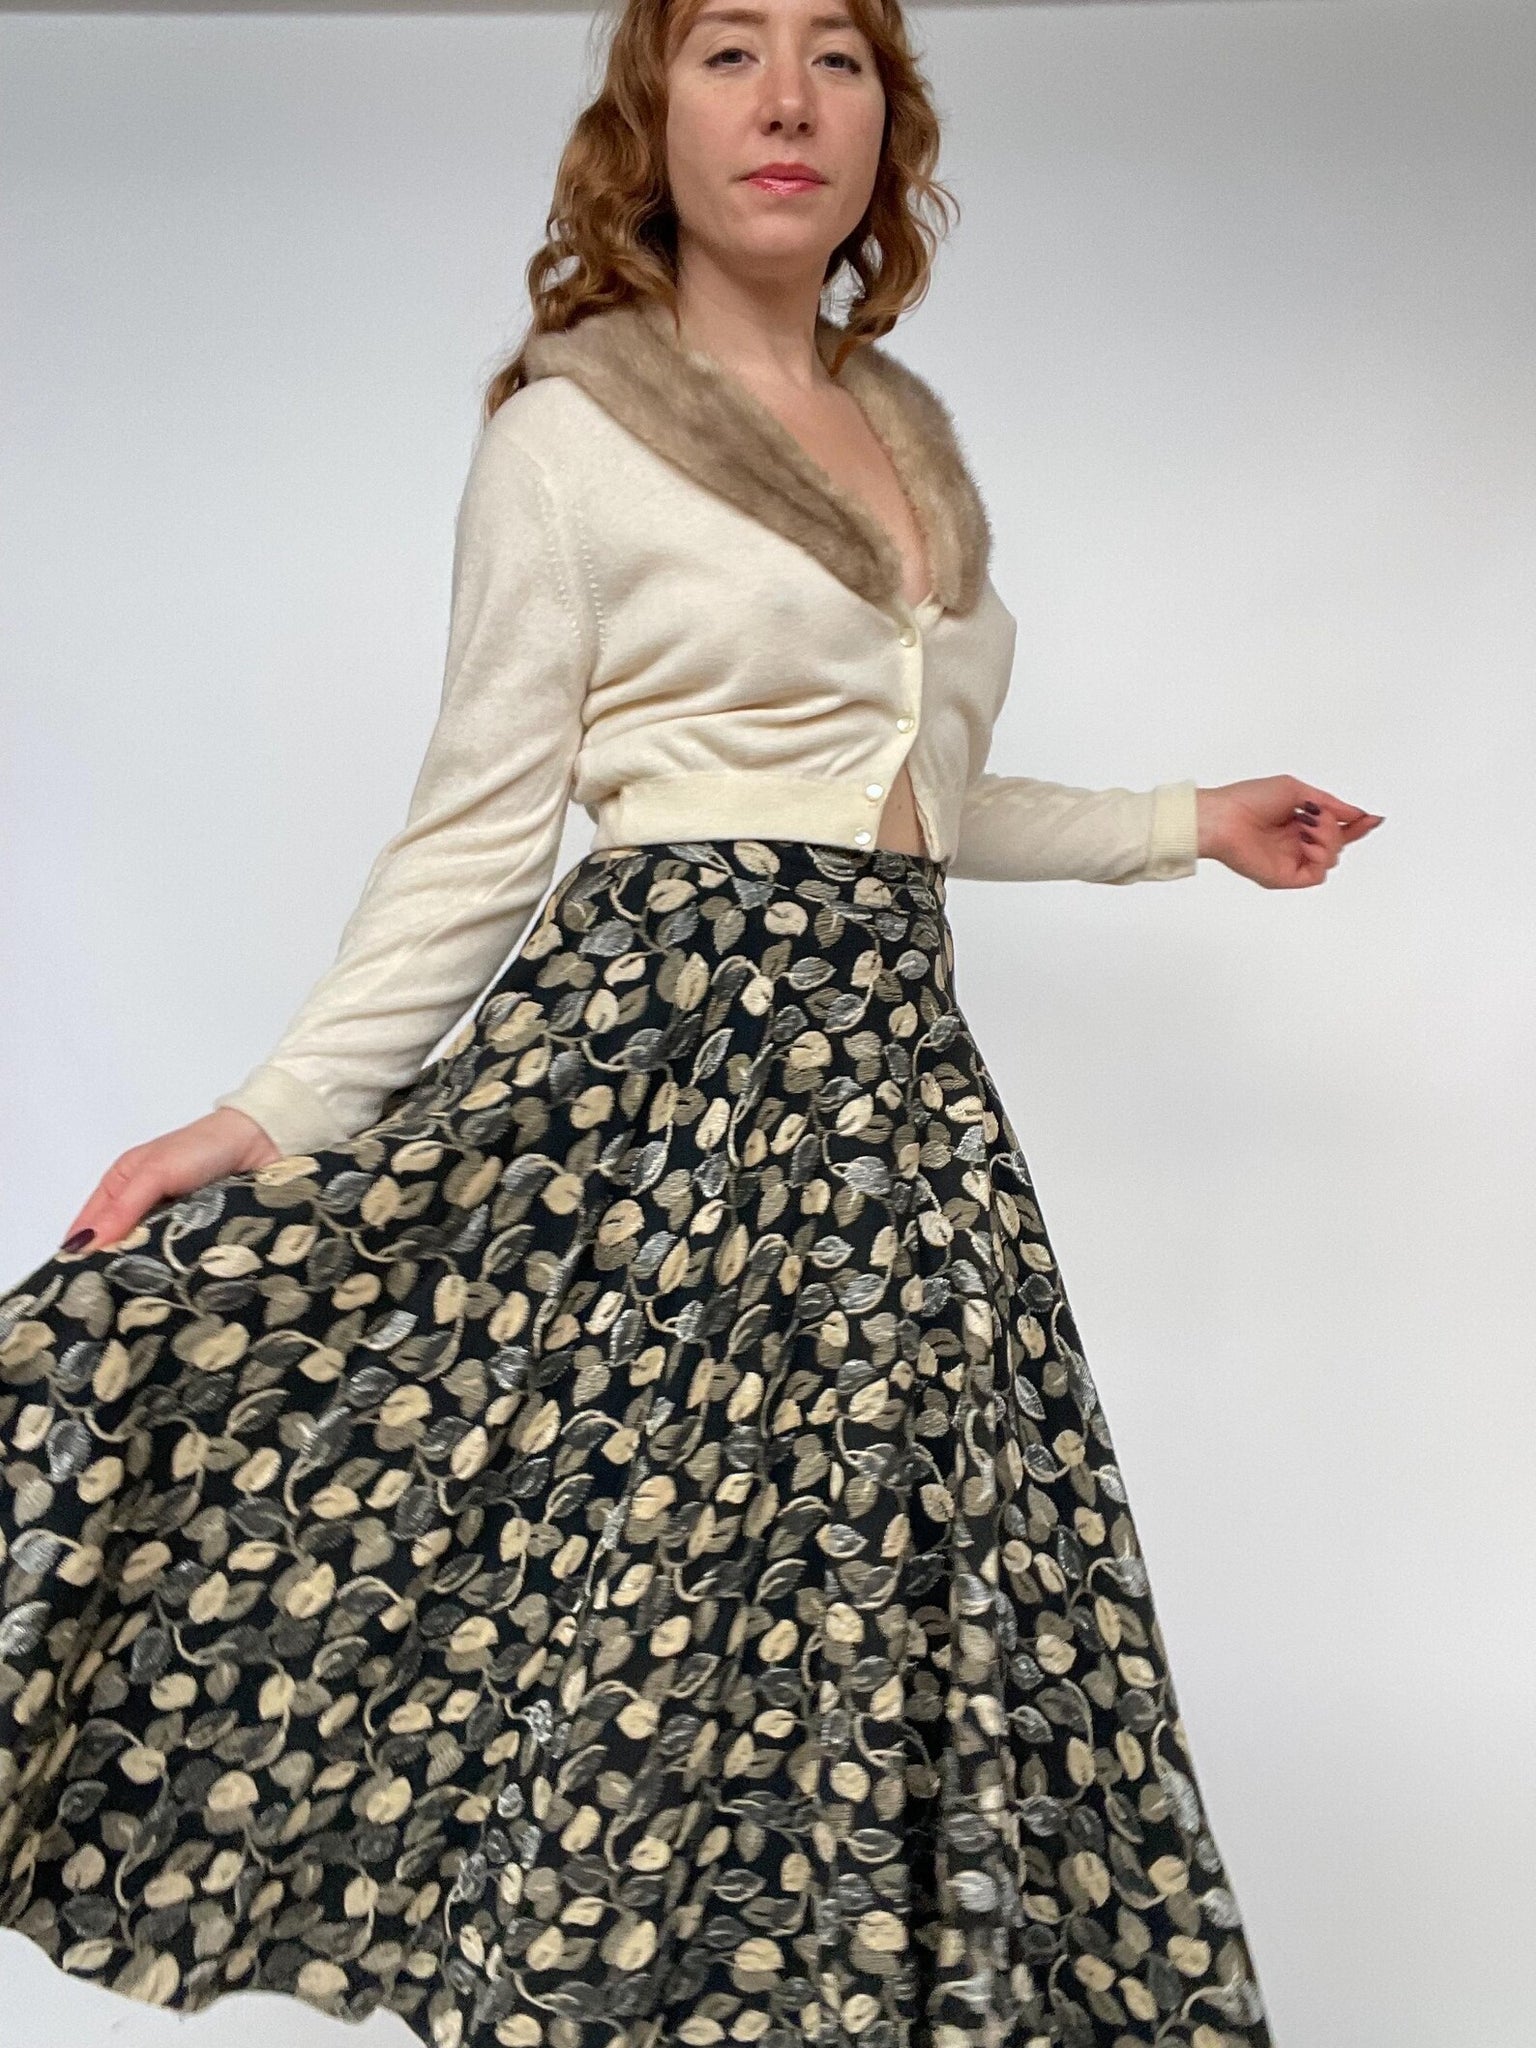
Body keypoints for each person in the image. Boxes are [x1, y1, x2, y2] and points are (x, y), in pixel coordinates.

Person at [0, 0, 1381, 2039]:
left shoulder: (908, 439)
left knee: (898, 1607)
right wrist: (265, 1117)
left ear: (890, 123)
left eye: (838, 54)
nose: (789, 99)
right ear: (653, 116)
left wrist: (1191, 822)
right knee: (653, 1630)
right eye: (731, 49)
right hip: (665, 1090)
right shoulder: (571, 437)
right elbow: (479, 829)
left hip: (900, 1115)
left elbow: (905, 796)